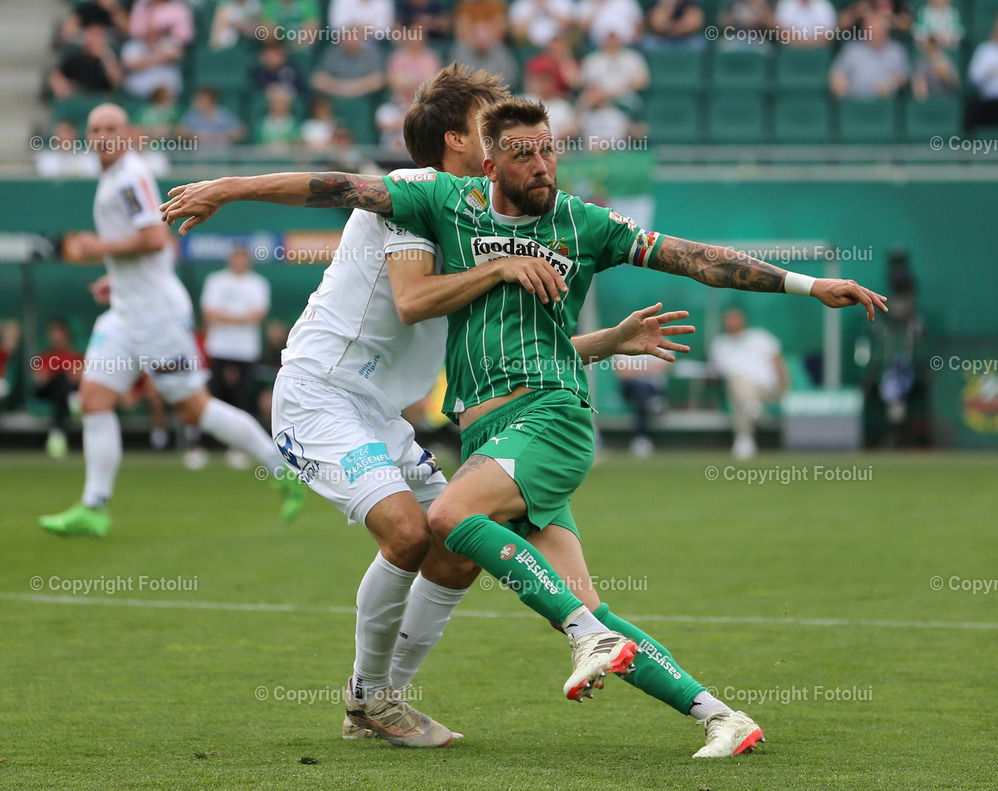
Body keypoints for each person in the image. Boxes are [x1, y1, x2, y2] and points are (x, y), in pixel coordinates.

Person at [163, 93, 887, 759]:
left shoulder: (579, 221)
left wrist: (805, 282)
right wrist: (227, 187)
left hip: (538, 420)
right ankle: (719, 715)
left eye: (548, 148)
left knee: (444, 520)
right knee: (493, 561)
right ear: (480, 154)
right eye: (517, 148)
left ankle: (464, 672)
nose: (538, 161)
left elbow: (693, 258)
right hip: (412, 414)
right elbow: (341, 198)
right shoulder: (436, 206)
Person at [39, 103, 304, 539]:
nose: (103, 135)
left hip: (157, 319)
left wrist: (95, 247)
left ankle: (282, 468)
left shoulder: (129, 178)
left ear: (127, 135)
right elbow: (156, 247)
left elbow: (152, 237)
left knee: (194, 409)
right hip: (127, 314)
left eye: (112, 128)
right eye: (96, 129)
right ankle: (94, 507)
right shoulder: (114, 177)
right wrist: (115, 275)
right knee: (93, 400)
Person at [200, 246, 270, 425]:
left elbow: (258, 314)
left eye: (242, 258)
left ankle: (240, 444)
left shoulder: (258, 283)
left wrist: (224, 316)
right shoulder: (216, 280)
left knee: (242, 394)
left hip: (246, 349)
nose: (239, 262)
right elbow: (209, 312)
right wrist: (241, 318)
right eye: (236, 257)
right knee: (213, 393)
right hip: (219, 346)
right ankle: (202, 443)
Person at [708, 307, 788, 459]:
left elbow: (778, 362)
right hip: (734, 387)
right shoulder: (719, 344)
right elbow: (715, 372)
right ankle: (752, 412)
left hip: (764, 388)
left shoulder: (759, 336)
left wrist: (782, 388)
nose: (732, 323)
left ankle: (744, 438)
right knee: (738, 383)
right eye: (729, 320)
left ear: (743, 320)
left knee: (741, 398)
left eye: (735, 319)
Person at [32, 318, 85, 459]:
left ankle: (57, 434)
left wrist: (66, 373)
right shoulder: (44, 356)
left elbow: (80, 377)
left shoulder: (76, 356)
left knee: (62, 389)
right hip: (47, 392)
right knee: (61, 381)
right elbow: (39, 379)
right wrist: (58, 373)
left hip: (64, 392)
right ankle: (73, 402)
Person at [830, 14, 910, 99]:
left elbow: (903, 77)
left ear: (886, 31)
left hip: (885, 102)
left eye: (878, 30)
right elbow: (837, 74)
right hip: (854, 102)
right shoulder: (852, 50)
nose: (874, 34)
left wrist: (888, 84)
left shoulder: (896, 51)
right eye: (870, 30)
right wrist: (840, 83)